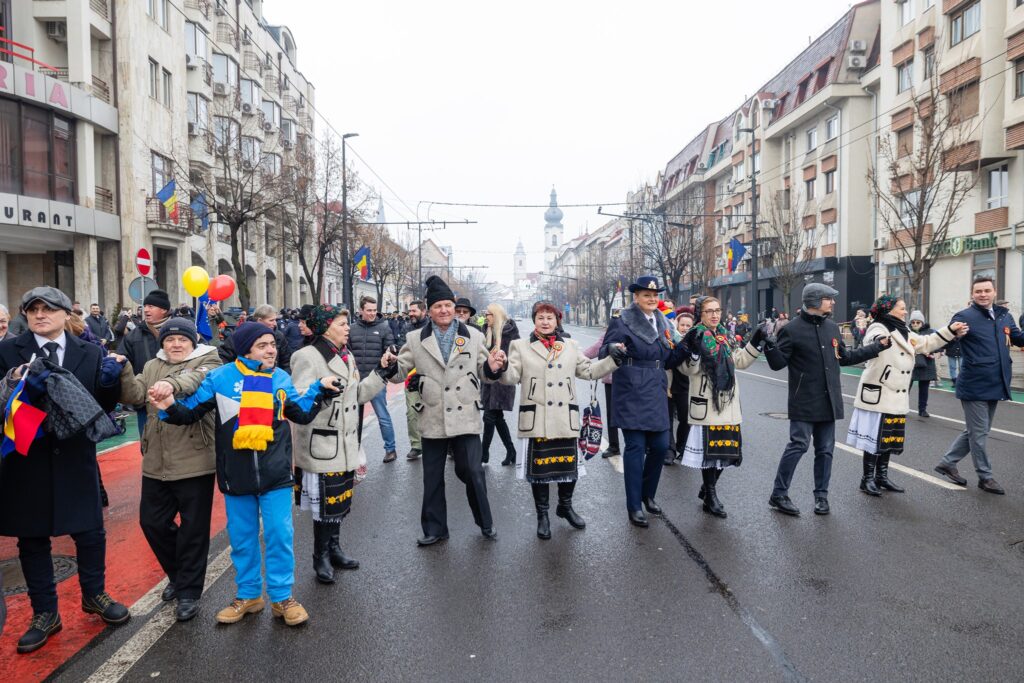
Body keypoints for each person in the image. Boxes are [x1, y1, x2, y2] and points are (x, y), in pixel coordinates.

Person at [152, 322, 341, 626]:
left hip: (276, 473)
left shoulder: (280, 378)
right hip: (235, 475)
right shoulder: (220, 377)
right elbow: (189, 413)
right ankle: (249, 595)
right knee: (242, 539)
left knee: (280, 535)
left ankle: (281, 598)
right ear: (245, 349)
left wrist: (320, 389)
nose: (271, 350)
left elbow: (301, 413)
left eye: (272, 344)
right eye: (263, 345)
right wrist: (169, 405)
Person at [0, 287, 130, 654]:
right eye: (33, 309)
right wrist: (19, 389)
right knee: (32, 538)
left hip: (75, 456)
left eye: (48, 309)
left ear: (64, 313)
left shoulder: (89, 351)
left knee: (90, 532)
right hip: (27, 457)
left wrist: (109, 385)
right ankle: (45, 614)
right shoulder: (7, 351)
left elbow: (100, 405)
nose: (40, 315)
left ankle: (95, 595)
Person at [118, 318, 222, 621]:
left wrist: (170, 385)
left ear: (192, 342)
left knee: (193, 530)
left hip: (195, 459)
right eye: (169, 340)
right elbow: (136, 395)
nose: (175, 345)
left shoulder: (209, 359)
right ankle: (178, 574)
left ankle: (188, 591)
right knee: (152, 522)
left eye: (181, 340)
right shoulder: (151, 365)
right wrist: (123, 368)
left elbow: (192, 381)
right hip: (155, 459)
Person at [387, 276, 504, 546]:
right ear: (429, 311)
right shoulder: (415, 338)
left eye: (448, 305)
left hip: (465, 413)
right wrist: (391, 363)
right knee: (432, 477)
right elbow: (399, 371)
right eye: (438, 306)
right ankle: (435, 529)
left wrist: (495, 367)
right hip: (433, 412)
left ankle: (485, 522)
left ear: (455, 309)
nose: (444, 310)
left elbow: (486, 371)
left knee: (473, 471)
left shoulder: (472, 336)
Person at [494, 302, 621, 538]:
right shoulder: (519, 346)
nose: (545, 321)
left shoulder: (570, 346)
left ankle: (565, 506)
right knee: (540, 472)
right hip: (537, 418)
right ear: (534, 320)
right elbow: (511, 377)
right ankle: (542, 515)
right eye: (540, 317)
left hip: (565, 418)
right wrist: (501, 367)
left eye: (549, 318)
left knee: (568, 468)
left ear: (557, 321)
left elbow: (589, 372)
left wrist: (613, 360)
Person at [291, 305, 398, 583]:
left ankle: (335, 548)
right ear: (326, 327)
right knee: (325, 505)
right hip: (322, 444)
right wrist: (320, 389)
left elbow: (358, 394)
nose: (347, 327)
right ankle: (321, 556)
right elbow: (299, 400)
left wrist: (381, 372)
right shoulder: (306, 356)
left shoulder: (346, 355)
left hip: (346, 441)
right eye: (341, 323)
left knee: (338, 503)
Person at [765, 283, 888, 517]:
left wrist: (875, 348)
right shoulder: (791, 329)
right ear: (814, 300)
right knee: (798, 446)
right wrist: (770, 346)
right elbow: (777, 363)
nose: (833, 302)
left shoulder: (832, 328)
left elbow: (845, 357)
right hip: (804, 400)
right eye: (828, 299)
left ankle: (821, 497)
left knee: (825, 450)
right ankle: (779, 494)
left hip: (829, 400)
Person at [846, 296, 964, 497]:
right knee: (875, 438)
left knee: (889, 437)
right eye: (901, 308)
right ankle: (866, 480)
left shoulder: (904, 330)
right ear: (888, 310)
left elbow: (926, 343)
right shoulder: (879, 327)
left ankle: (881, 477)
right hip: (880, 392)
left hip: (896, 395)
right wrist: (879, 343)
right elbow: (871, 340)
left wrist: (950, 330)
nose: (905, 312)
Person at [601, 276, 690, 527]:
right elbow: (605, 346)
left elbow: (668, 359)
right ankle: (634, 506)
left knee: (661, 446)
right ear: (636, 297)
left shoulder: (663, 321)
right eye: (646, 295)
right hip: (631, 388)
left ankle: (647, 494)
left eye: (655, 295)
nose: (652, 299)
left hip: (656, 387)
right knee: (635, 448)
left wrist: (686, 346)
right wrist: (612, 349)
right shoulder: (623, 320)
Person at [934, 277, 1024, 494]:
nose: (983, 294)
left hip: (997, 381)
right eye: (978, 291)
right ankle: (985, 477)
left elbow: (1019, 339)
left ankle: (948, 462)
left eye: (987, 290)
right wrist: (955, 335)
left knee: (977, 431)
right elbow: (949, 338)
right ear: (972, 294)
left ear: (995, 292)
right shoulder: (964, 316)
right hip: (974, 384)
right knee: (980, 433)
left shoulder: (1004, 316)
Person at [678, 298, 765, 517]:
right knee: (710, 452)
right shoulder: (694, 334)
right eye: (709, 311)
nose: (714, 315)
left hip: (728, 401)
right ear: (701, 313)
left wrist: (755, 343)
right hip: (707, 402)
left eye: (717, 311)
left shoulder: (723, 335)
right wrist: (695, 354)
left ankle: (707, 491)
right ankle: (711, 495)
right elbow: (686, 369)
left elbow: (740, 362)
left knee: (726, 450)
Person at [348, 296, 398, 463]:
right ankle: (352, 449)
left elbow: (390, 347)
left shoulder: (384, 327)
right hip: (355, 381)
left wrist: (390, 353)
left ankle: (390, 449)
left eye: (374, 310)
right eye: (368, 310)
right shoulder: (352, 329)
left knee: (383, 416)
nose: (372, 313)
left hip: (376, 380)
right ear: (361, 310)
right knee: (354, 418)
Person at [120, 289, 172, 435]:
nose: (146, 310)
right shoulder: (134, 335)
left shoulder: (180, 331)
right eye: (145, 306)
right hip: (145, 401)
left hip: (177, 397)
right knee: (147, 442)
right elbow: (123, 360)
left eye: (151, 306)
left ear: (163, 310)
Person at [480, 303, 520, 465]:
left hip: (503, 381)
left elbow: (516, 358)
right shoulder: (486, 331)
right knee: (497, 418)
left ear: (495, 316)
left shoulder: (510, 333)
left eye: (488, 314)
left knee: (489, 417)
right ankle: (511, 451)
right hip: (489, 381)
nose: (485, 317)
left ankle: (483, 454)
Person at [217, 304, 293, 372]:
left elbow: (286, 361)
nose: (275, 323)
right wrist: (233, 375)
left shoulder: (279, 336)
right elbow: (224, 355)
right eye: (271, 320)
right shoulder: (242, 333)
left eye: (273, 344)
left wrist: (280, 379)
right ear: (260, 320)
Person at [582, 326, 621, 458]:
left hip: (634, 380)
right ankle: (614, 446)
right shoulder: (612, 330)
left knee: (634, 413)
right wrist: (574, 359)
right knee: (612, 413)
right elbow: (597, 348)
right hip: (612, 378)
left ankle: (641, 445)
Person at [401, 300, 430, 460]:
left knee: (434, 411)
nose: (410, 314)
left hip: (431, 376)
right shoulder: (405, 328)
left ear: (423, 311)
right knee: (412, 412)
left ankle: (446, 445)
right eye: (410, 311)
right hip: (411, 376)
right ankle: (416, 445)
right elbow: (402, 350)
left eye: (414, 311)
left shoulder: (433, 328)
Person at [668, 311, 695, 465]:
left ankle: (682, 446)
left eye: (688, 325)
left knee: (685, 419)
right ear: (677, 325)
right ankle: (669, 451)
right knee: (667, 420)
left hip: (686, 386)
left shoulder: (695, 341)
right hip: (669, 385)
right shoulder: (670, 338)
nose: (685, 328)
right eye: (682, 325)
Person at [908, 310, 938, 417]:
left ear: (922, 322)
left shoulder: (930, 332)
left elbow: (936, 345)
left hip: (926, 363)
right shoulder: (907, 332)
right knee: (906, 387)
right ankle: (903, 408)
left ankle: (922, 409)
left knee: (924, 388)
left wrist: (930, 351)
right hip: (910, 363)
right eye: (913, 322)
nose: (915, 324)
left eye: (918, 322)